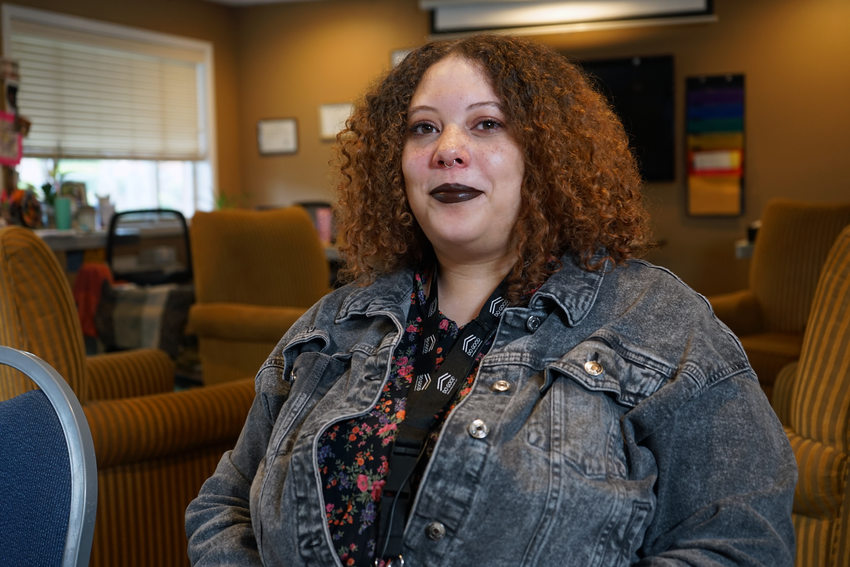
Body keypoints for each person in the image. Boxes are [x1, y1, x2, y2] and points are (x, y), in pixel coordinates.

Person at [186, 34, 796, 566]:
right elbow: (223, 504)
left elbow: (743, 545)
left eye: (487, 124)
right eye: (423, 127)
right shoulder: (334, 324)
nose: (446, 148)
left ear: (551, 156)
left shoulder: (661, 323)